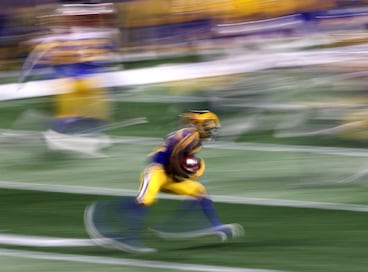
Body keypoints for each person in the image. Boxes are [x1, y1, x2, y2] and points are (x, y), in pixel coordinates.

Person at [85, 110, 244, 253]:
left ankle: (215, 225)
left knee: (199, 190)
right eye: (209, 127)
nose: (211, 131)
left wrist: (188, 168)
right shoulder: (187, 136)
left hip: (170, 176)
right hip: (157, 171)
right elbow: (161, 157)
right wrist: (185, 170)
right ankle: (125, 233)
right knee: (144, 201)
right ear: (199, 125)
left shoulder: (194, 139)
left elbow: (180, 160)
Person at [19, 2, 119, 156]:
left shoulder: (82, 38)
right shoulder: (63, 41)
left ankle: (74, 136)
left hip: (81, 82)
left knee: (88, 116)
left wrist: (25, 77)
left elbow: (37, 61)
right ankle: (53, 133)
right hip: (75, 83)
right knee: (77, 117)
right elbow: (39, 60)